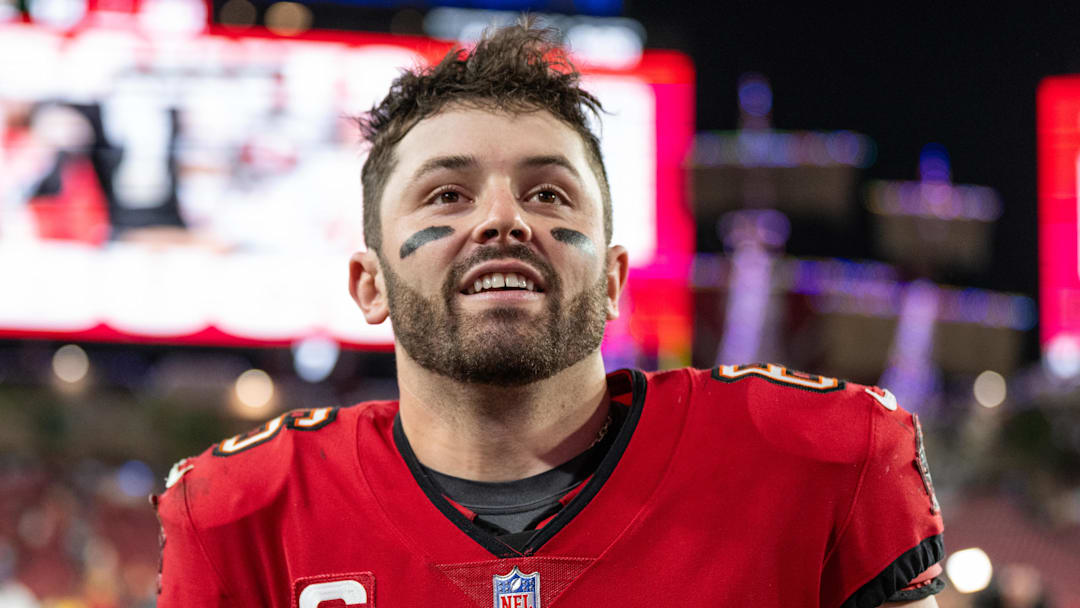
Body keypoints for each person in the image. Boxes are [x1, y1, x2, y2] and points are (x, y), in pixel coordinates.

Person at [154, 21, 945, 607]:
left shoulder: (813, 460)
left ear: (611, 279)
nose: (504, 221)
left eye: (547, 193)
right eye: (447, 195)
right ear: (369, 284)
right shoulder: (244, 515)